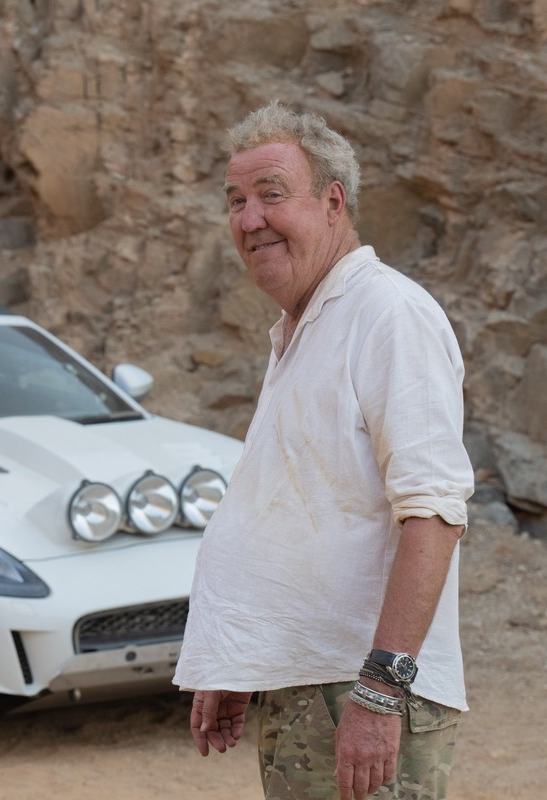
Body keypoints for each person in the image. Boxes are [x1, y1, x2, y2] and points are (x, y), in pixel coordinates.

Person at [172, 100, 473, 800]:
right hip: (311, 686)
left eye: (272, 194)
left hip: (360, 691)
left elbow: (434, 512)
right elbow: (300, 513)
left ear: (333, 202)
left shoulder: (387, 314)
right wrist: (243, 656)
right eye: (237, 201)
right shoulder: (304, 330)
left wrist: (380, 689)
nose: (250, 220)